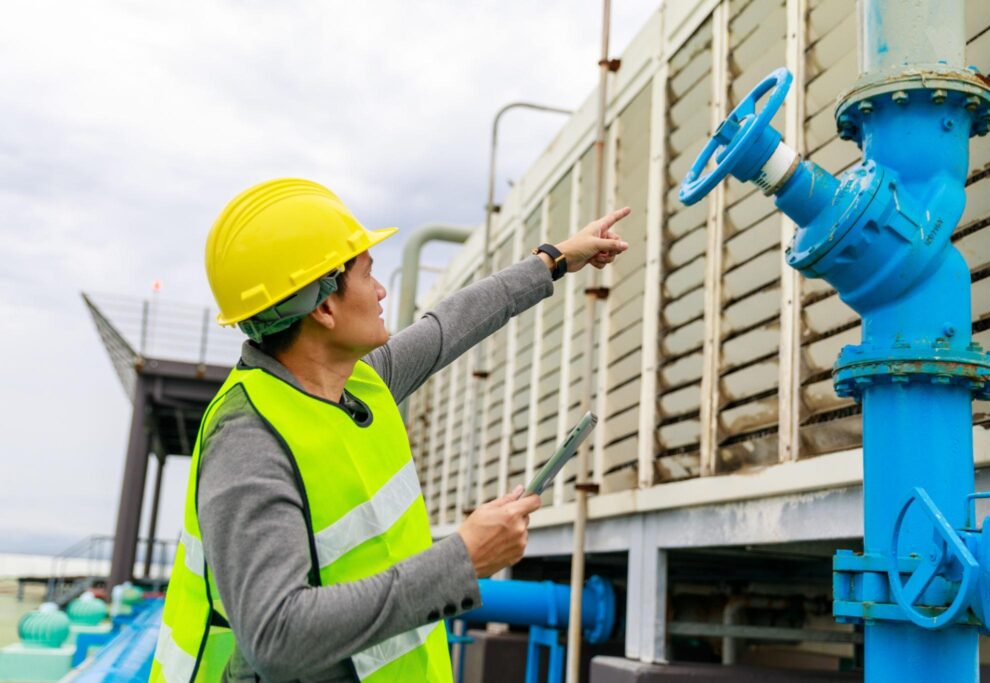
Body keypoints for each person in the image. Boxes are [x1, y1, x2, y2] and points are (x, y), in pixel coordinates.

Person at [150, 178, 630, 682]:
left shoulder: (355, 383)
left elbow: (448, 325)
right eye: (367, 274)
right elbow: (276, 637)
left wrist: (555, 259)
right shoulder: (247, 440)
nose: (381, 291)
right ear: (323, 306)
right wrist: (461, 561)